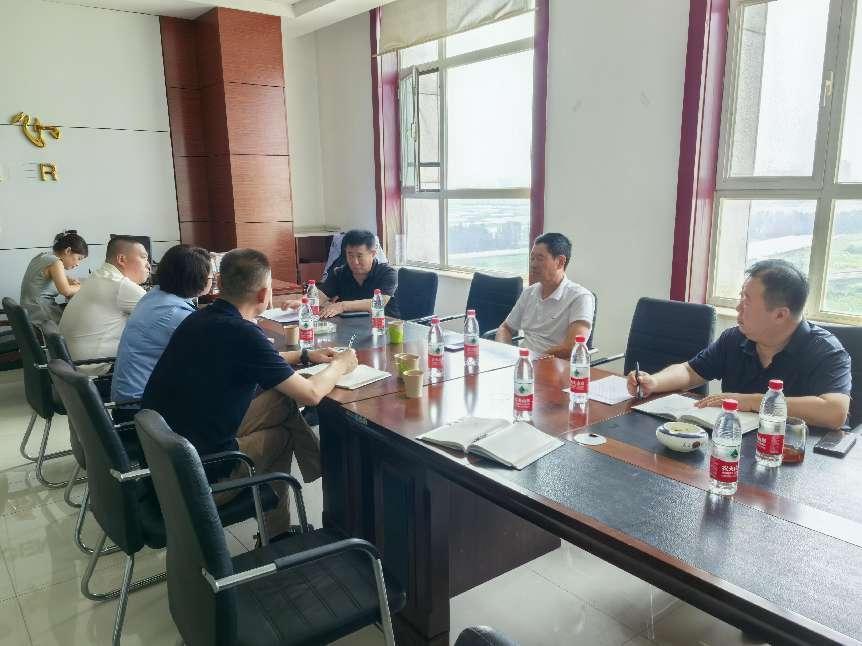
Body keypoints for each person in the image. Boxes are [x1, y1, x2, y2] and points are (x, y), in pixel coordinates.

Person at [142, 248, 358, 538]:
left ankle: (320, 470)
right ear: (264, 294)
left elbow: (256, 358)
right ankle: (282, 528)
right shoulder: (243, 333)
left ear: (220, 283)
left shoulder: (200, 318)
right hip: (199, 475)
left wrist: (306, 355)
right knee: (283, 433)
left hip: (162, 458)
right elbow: (310, 395)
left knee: (281, 397)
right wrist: (341, 365)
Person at [626, 259, 851, 430]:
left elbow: (835, 411)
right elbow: (690, 371)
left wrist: (753, 402)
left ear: (780, 315)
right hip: (737, 447)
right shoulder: (736, 338)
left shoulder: (825, 351)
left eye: (746, 301)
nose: (738, 308)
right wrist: (654, 382)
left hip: (801, 457)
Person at [110, 244, 212, 417]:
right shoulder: (175, 313)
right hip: (144, 412)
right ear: (197, 279)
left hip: (131, 400)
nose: (212, 280)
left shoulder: (155, 296)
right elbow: (214, 352)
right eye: (210, 276)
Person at [59, 236, 150, 373]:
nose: (148, 265)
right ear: (121, 259)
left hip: (70, 371)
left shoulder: (98, 276)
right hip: (96, 372)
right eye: (144, 258)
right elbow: (167, 322)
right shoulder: (121, 286)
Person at [496, 233, 595, 359]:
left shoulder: (580, 297)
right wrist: (505, 352)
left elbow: (572, 347)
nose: (533, 264)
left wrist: (535, 358)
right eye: (532, 258)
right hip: (524, 361)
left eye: (540, 258)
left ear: (560, 262)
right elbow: (505, 328)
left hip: (555, 365)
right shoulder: (529, 292)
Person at [285, 229, 397, 318]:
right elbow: (321, 294)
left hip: (385, 326)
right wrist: (301, 302)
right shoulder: (341, 272)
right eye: (350, 255)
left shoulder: (388, 273)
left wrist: (342, 306)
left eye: (359, 256)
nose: (354, 261)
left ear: (373, 253)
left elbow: (379, 302)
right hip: (351, 326)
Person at [20, 230, 88, 325]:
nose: (78, 264)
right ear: (68, 251)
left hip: (30, 312)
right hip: (41, 315)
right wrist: (84, 286)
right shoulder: (56, 262)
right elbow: (66, 291)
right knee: (81, 321)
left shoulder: (44, 256)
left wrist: (68, 280)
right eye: (79, 258)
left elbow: (47, 278)